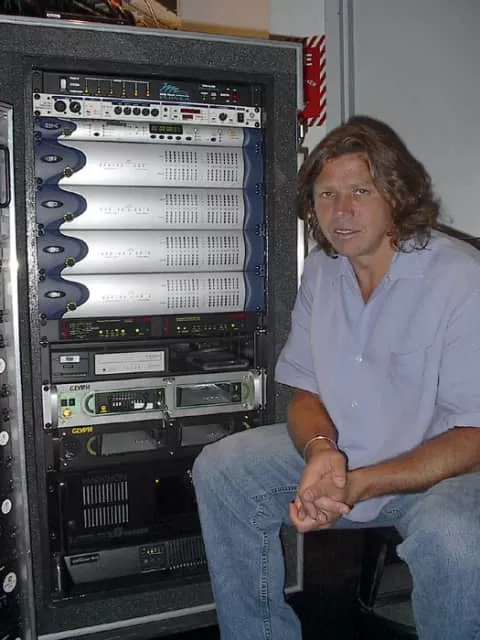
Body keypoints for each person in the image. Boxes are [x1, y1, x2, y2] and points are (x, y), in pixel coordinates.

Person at [192, 115, 480, 640]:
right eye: (326, 194)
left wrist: (360, 482)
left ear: (397, 195)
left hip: (441, 473)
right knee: (223, 468)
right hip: (351, 457)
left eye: (360, 191)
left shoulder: (461, 278)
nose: (340, 211)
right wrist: (321, 449)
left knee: (454, 537)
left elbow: (474, 436)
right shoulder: (323, 270)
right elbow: (306, 392)